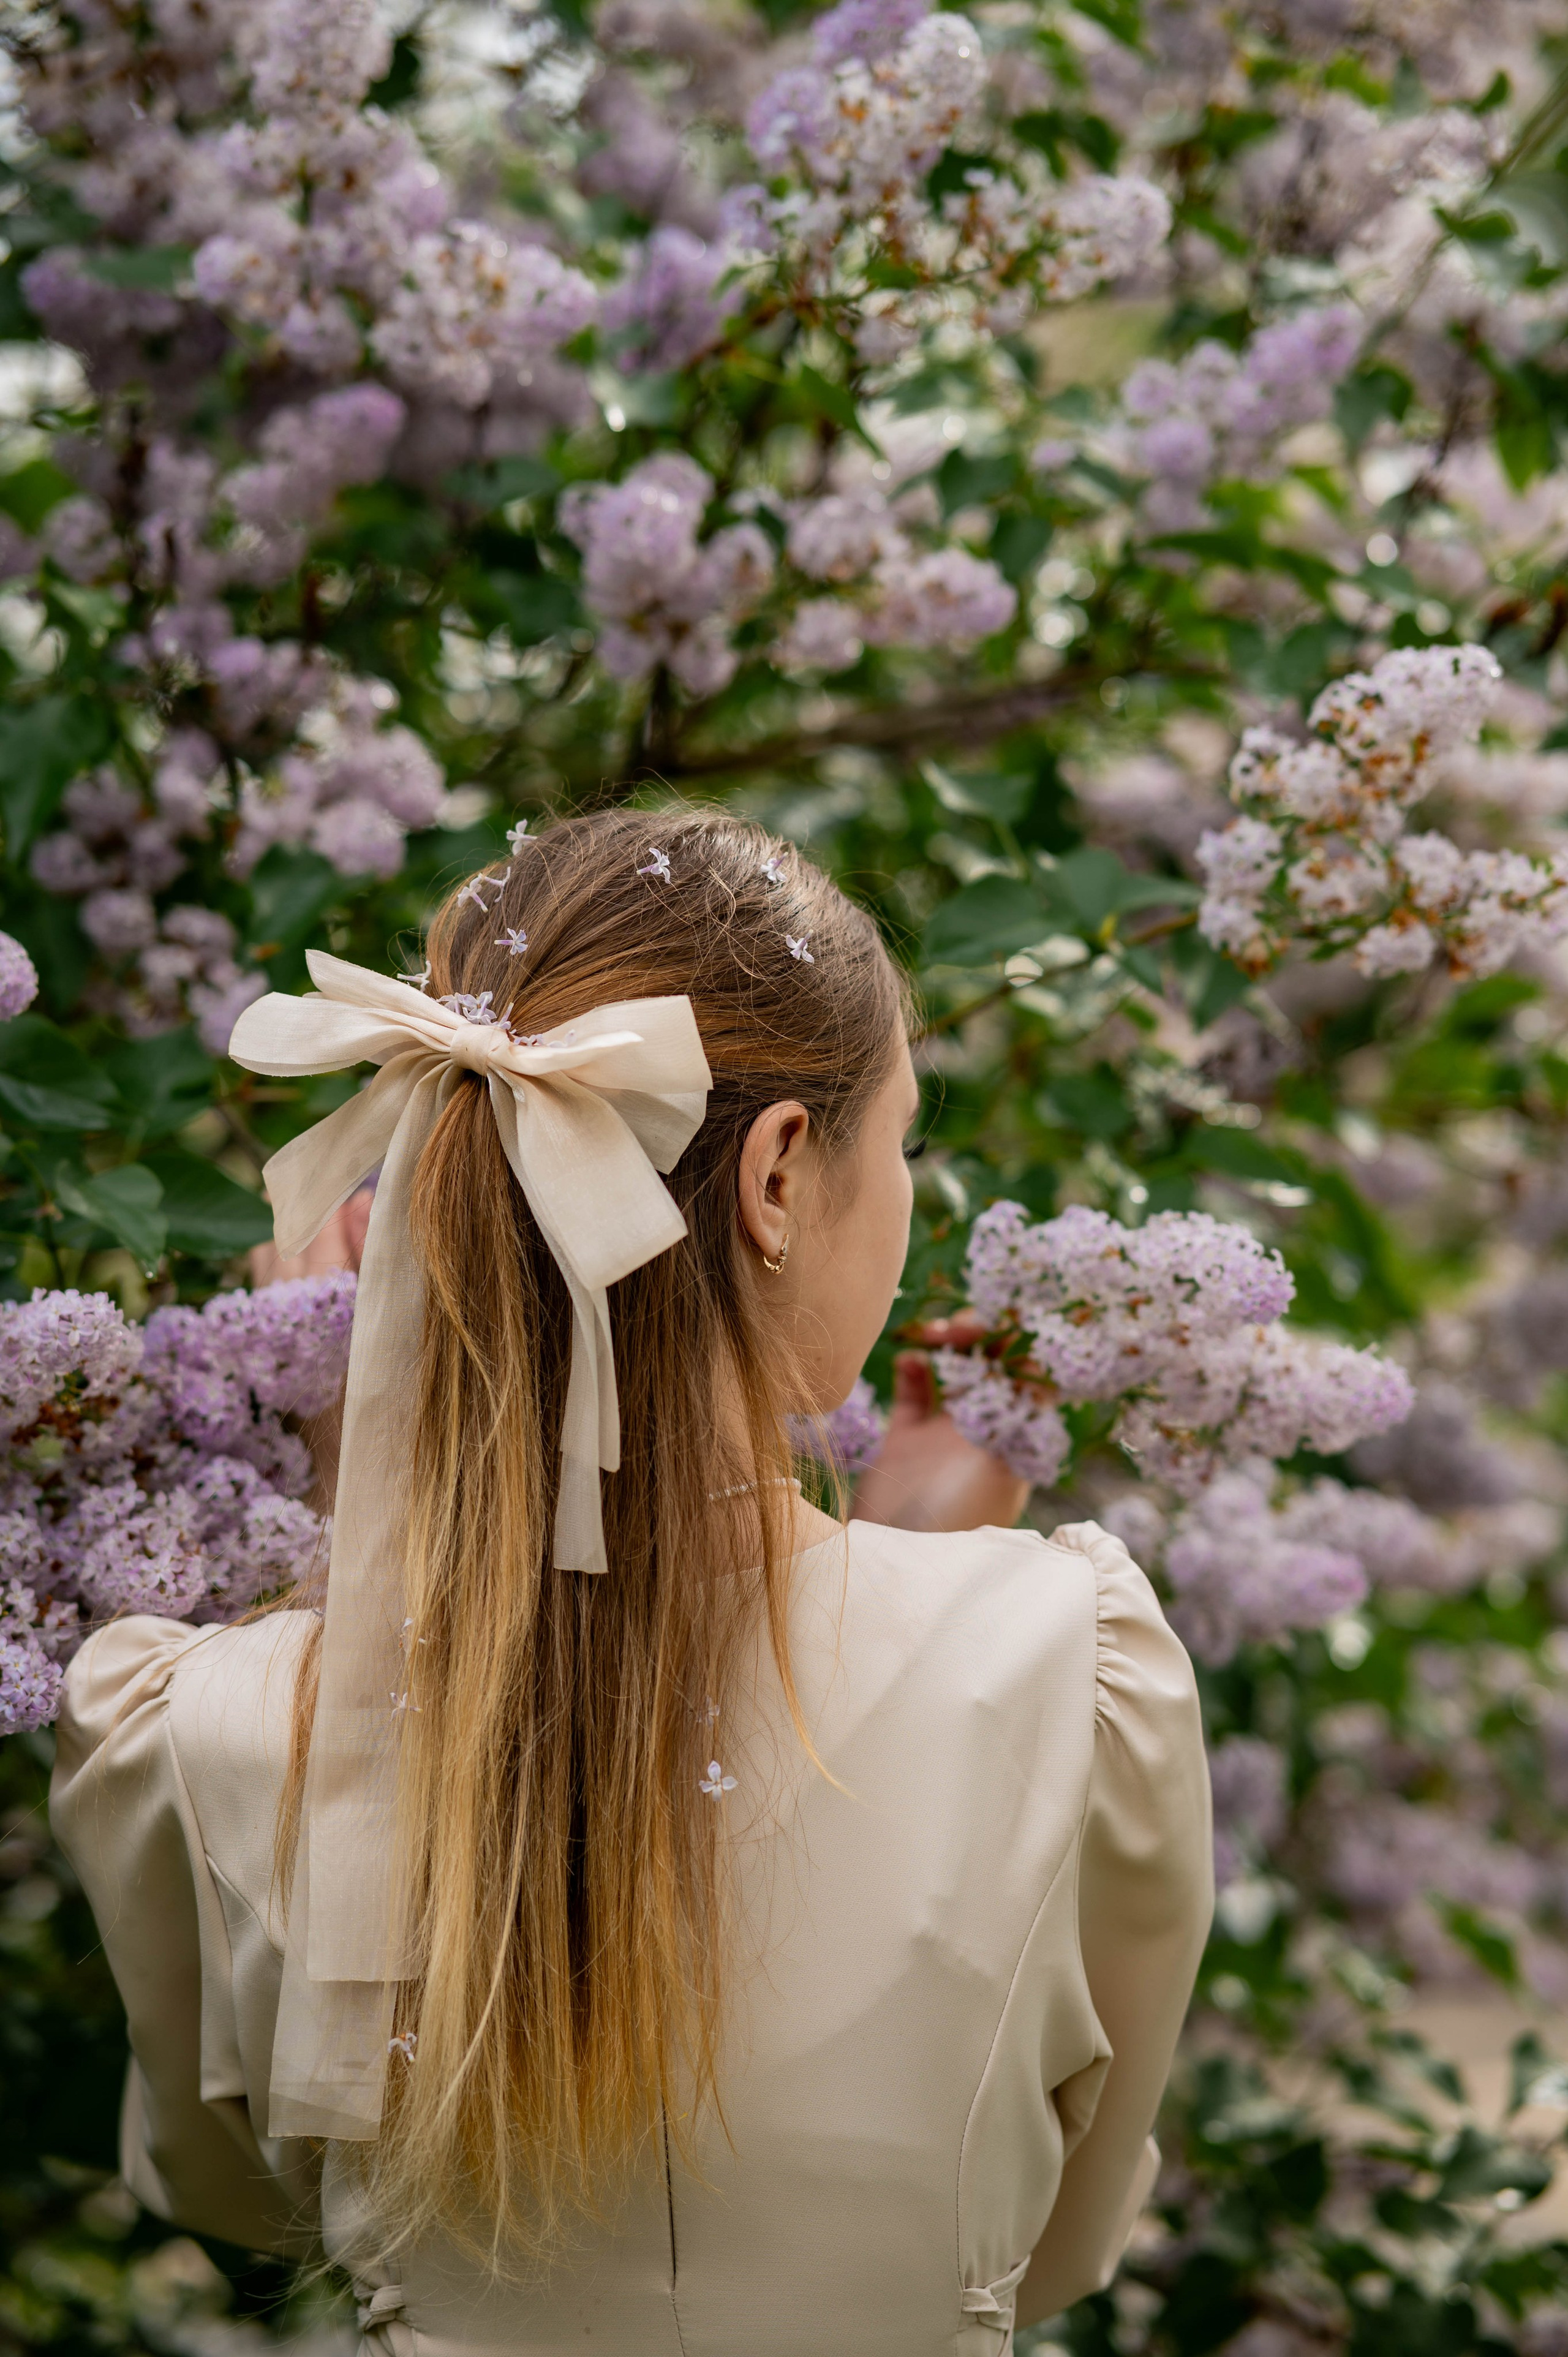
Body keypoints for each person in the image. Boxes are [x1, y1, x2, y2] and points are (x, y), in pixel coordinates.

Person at [50, 809, 1212, 2354]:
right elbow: (1051, 2243)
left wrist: (364, 1498)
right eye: (907, 1138)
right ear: (781, 1173)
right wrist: (921, 1565)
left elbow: (234, 2183)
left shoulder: (205, 1734)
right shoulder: (1071, 1668)